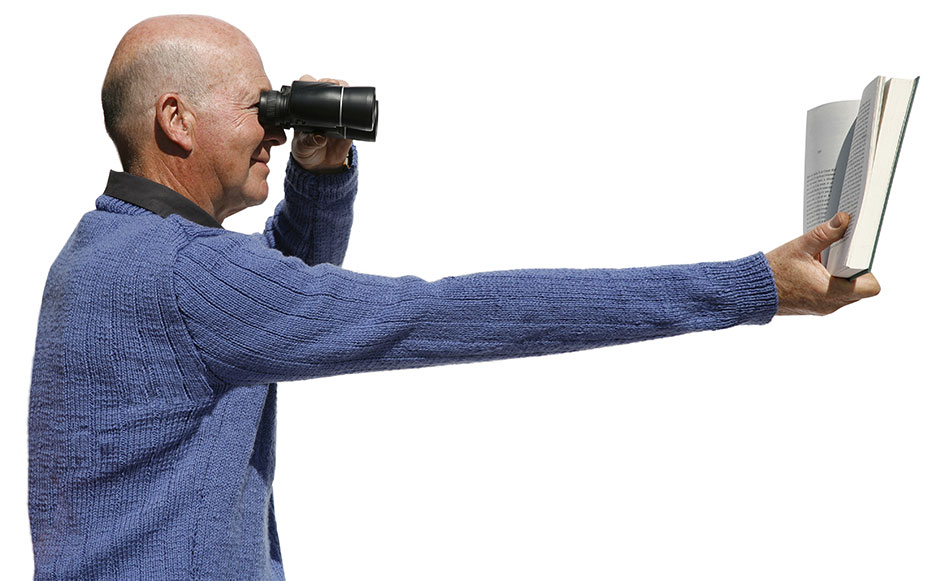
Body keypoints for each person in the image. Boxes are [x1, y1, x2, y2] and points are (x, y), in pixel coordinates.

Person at [27, 14, 880, 581]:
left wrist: (319, 181)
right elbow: (438, 315)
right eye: (261, 106)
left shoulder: (108, 250)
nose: (279, 128)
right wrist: (751, 285)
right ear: (176, 120)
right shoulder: (183, 278)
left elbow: (273, 306)